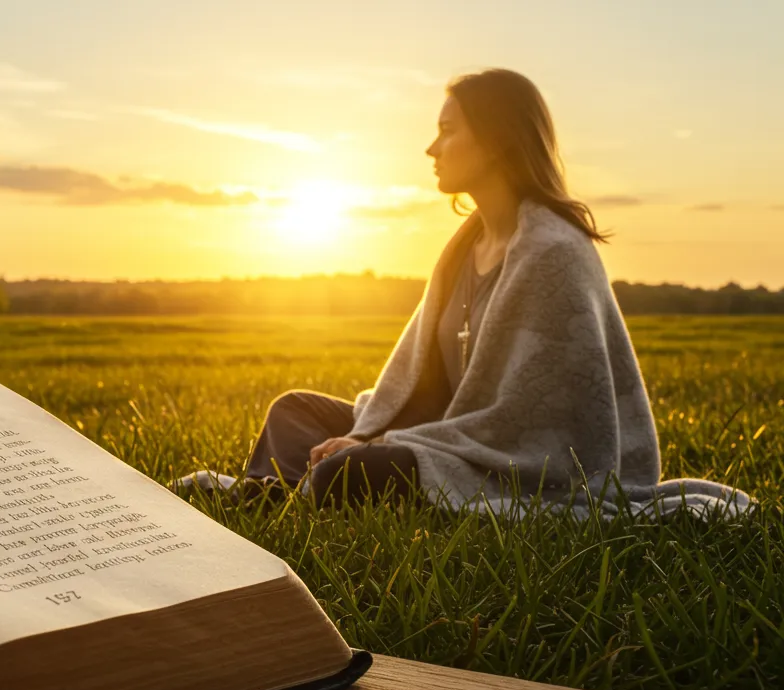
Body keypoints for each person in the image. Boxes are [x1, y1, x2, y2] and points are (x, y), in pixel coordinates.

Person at [174, 68, 750, 517]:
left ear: (496, 140)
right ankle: (276, 496)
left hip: (504, 462)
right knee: (296, 410)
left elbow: (531, 427)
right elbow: (422, 385)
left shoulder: (555, 253)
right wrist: (365, 430)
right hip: (441, 432)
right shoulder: (463, 247)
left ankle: (281, 496)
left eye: (448, 130)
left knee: (343, 474)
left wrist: (381, 446)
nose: (431, 148)